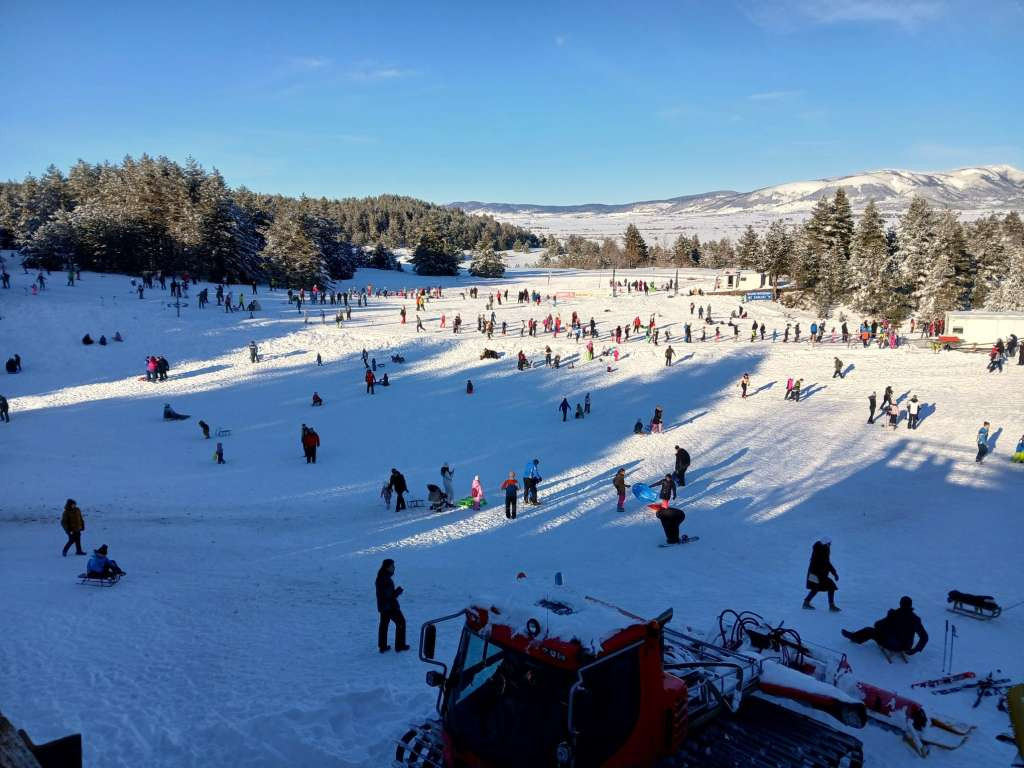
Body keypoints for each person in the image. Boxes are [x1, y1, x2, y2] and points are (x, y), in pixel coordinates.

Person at [842, 596, 928, 656]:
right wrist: (915, 650)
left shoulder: (895, 614)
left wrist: (888, 617)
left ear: (900, 604)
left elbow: (878, 625)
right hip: (906, 646)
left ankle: (854, 637)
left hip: (893, 645)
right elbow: (924, 637)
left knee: (869, 630)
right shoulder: (915, 619)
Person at [375, 559, 409, 653]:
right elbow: (388, 595)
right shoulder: (384, 579)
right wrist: (398, 591)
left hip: (384, 606)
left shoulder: (382, 577)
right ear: (387, 567)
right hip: (389, 606)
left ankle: (383, 646)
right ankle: (400, 645)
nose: (394, 568)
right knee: (401, 622)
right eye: (392, 566)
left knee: (384, 625)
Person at [803, 538, 839, 611]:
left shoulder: (824, 551)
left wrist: (834, 573)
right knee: (827, 587)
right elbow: (825, 563)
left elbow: (827, 563)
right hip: (815, 574)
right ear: (825, 544)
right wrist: (833, 573)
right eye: (829, 544)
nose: (830, 545)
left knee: (818, 588)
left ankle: (806, 603)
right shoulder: (819, 552)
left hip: (819, 575)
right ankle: (831, 606)